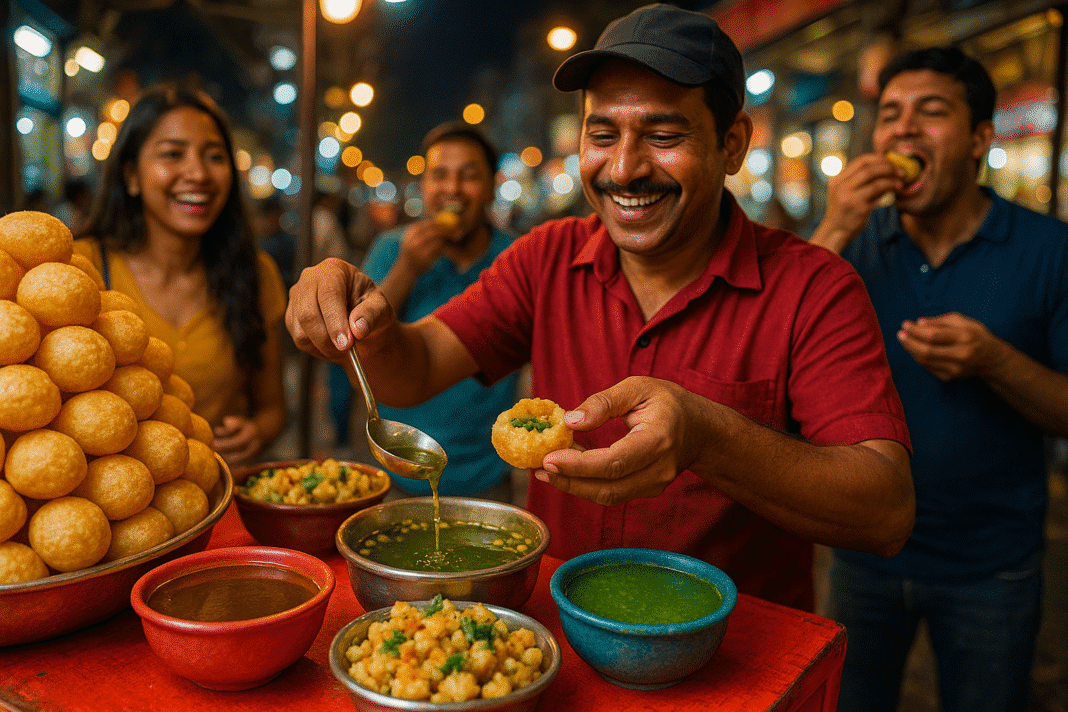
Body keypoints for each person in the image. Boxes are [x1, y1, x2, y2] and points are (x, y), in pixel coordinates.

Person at [285, 3, 914, 611]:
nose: (624, 169)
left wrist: (706, 435)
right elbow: (413, 368)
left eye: (664, 136)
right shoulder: (547, 258)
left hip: (734, 659)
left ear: (732, 145)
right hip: (559, 637)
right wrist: (361, 316)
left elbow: (884, 511)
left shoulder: (814, 287)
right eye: (602, 134)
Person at [810, 47, 1068, 712]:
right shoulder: (853, 245)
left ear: (981, 137)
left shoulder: (1049, 250)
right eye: (890, 115)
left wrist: (995, 361)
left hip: (993, 564)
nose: (903, 130)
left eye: (931, 112)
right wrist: (836, 225)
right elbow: (767, 350)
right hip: (864, 550)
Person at [74, 82, 287, 466]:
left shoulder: (255, 273)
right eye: (173, 154)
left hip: (222, 495)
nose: (198, 173)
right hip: (119, 510)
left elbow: (272, 408)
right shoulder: (81, 270)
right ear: (131, 175)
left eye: (214, 156)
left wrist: (256, 433)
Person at [360, 121, 519, 500]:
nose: (452, 189)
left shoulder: (516, 258)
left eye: (469, 176)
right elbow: (358, 343)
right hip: (400, 470)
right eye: (440, 175)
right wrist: (407, 269)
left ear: (491, 186)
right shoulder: (391, 248)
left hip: (487, 475)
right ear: (425, 185)